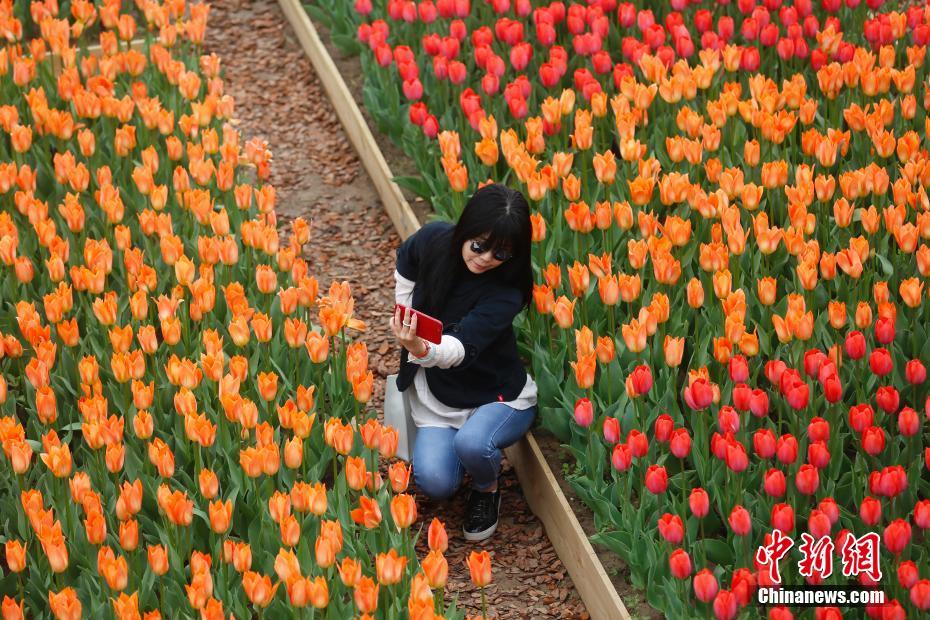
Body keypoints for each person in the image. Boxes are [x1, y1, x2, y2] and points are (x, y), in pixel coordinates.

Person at [389, 183, 538, 542]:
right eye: (479, 245)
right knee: (435, 483)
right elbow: (406, 258)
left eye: (500, 253)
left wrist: (420, 348)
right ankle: (465, 455)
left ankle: (487, 488)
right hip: (441, 396)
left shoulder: (506, 292)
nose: (486, 258)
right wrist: (405, 309)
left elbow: (459, 348)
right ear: (465, 229)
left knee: (472, 443)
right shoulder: (435, 240)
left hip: (495, 394)